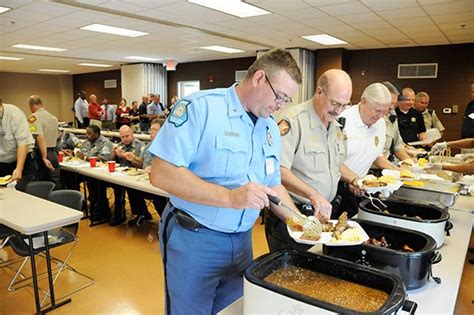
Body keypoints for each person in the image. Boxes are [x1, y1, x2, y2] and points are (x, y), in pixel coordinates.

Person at [149, 48, 302, 315]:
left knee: (233, 310)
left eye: (287, 100)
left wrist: (300, 221)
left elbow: (272, 183)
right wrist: (230, 198)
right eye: (280, 97)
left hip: (241, 241)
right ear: (259, 78)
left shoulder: (268, 127)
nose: (281, 106)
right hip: (195, 237)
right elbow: (161, 172)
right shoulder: (201, 108)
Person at [265, 69, 360, 253]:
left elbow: (335, 163)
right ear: (319, 92)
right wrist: (313, 195)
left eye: (344, 105)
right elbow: (278, 171)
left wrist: (355, 179)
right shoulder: (293, 121)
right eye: (334, 103)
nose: (338, 110)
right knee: (289, 277)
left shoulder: (336, 126)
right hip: (293, 215)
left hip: (323, 216)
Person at [338, 83, 397, 216]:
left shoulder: (380, 123)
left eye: (385, 111)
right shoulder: (342, 120)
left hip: (361, 187)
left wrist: (397, 172)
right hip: (339, 188)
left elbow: (376, 155)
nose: (380, 116)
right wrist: (352, 179)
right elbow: (331, 161)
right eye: (377, 110)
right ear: (363, 101)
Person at [129, 118, 168, 226]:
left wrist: (155, 169)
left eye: (155, 130)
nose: (151, 132)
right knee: (131, 187)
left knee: (157, 195)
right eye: (151, 129)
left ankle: (165, 223)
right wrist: (133, 158)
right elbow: (141, 163)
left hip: (161, 184)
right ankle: (142, 213)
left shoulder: (170, 147)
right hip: (146, 180)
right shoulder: (148, 146)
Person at [109, 125, 146, 226]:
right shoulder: (120, 145)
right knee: (115, 183)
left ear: (132, 134)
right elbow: (111, 162)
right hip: (121, 175)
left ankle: (139, 214)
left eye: (127, 136)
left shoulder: (140, 145)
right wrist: (114, 154)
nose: (125, 139)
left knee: (126, 187)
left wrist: (132, 159)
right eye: (122, 137)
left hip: (136, 176)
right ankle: (119, 213)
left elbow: (142, 165)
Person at [76, 125, 113, 222]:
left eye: (89, 134)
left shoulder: (105, 143)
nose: (87, 136)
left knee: (94, 181)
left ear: (97, 134)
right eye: (86, 133)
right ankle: (79, 203)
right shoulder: (87, 142)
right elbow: (81, 152)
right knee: (69, 177)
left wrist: (85, 158)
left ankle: (100, 210)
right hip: (86, 170)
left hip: (101, 174)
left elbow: (104, 158)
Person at [0, 98, 37, 189]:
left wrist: (19, 168)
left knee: (23, 192)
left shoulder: (14, 114)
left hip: (22, 161)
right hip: (2, 163)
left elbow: (22, 143)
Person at [28, 95, 62, 189]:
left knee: (42, 184)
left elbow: (39, 137)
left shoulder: (33, 118)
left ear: (32, 106)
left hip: (41, 154)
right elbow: (58, 135)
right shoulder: (53, 118)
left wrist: (44, 156)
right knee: (55, 182)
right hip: (53, 153)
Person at [380, 82, 411, 163]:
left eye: (394, 103)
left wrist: (411, 162)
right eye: (390, 103)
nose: (392, 107)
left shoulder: (392, 116)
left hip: (385, 167)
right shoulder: (371, 118)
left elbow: (397, 146)